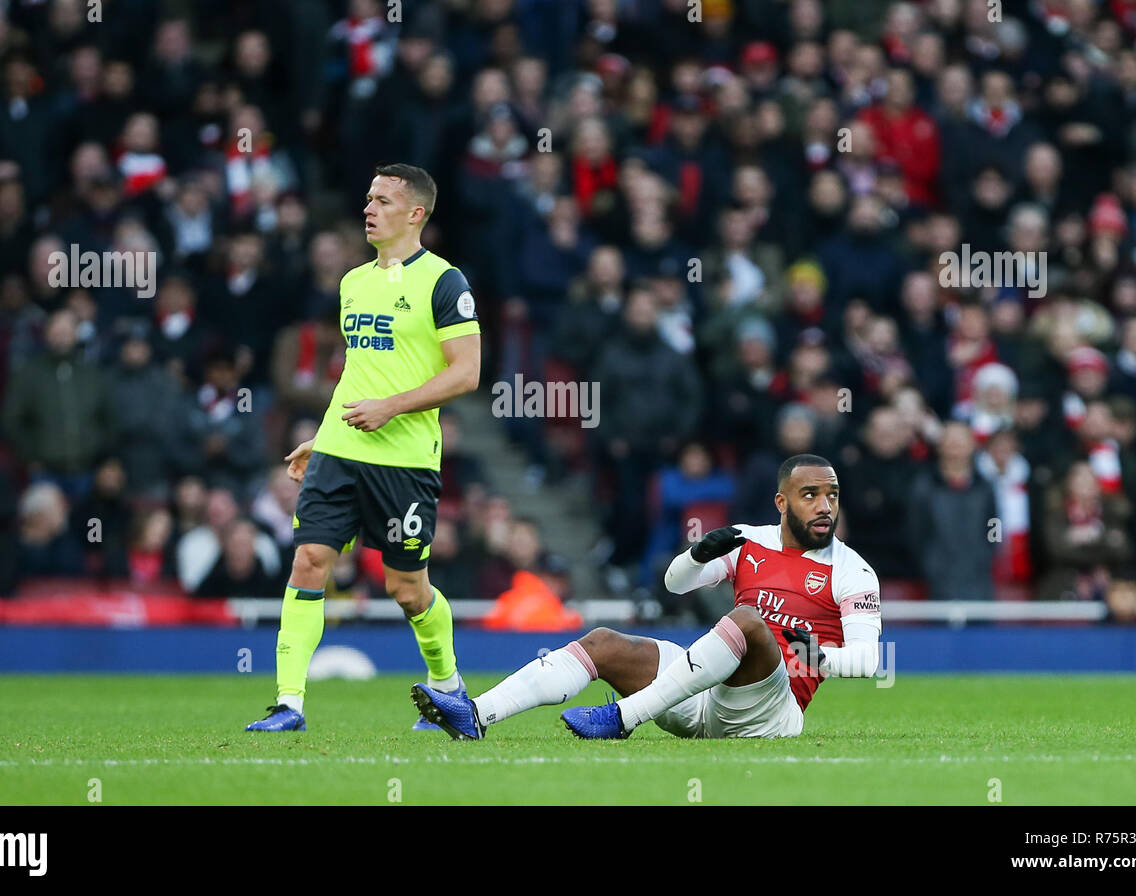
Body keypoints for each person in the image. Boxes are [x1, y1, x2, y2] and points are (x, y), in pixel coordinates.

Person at [412, 455, 882, 741]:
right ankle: (477, 713)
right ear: (782, 503)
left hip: (770, 713)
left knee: (745, 620)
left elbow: (869, 661)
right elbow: (675, 585)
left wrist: (817, 657)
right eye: (810, 495)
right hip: (702, 695)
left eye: (832, 496)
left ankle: (621, 718)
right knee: (602, 642)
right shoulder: (750, 540)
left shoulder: (853, 571)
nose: (825, 506)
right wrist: (696, 555)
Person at [248, 163, 481, 732]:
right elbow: (359, 374)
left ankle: (449, 688)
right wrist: (324, 435)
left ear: (415, 213)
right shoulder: (353, 282)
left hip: (404, 461)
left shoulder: (444, 282)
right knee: (309, 562)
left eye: (382, 200)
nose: (369, 209)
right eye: (367, 198)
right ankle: (289, 704)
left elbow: (467, 373)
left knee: (406, 589)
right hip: (340, 451)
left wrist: (393, 407)